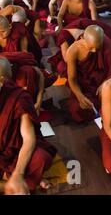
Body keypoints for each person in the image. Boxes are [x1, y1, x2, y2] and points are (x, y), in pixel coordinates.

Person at [0, 57, 57, 195]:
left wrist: (18, 174)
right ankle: (14, 184)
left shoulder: (18, 98)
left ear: (2, 81)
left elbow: (29, 139)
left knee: (41, 158)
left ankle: (13, 180)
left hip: (14, 152)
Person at [66, 25, 111, 122]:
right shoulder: (72, 51)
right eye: (91, 48)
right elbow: (72, 79)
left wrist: (105, 85)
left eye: (97, 48)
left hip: (104, 81)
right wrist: (80, 97)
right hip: (85, 85)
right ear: (83, 38)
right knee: (77, 110)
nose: (95, 51)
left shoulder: (106, 42)